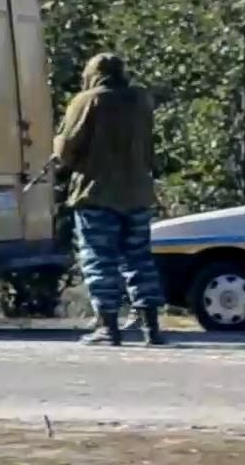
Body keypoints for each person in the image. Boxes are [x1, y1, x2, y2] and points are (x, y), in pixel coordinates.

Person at [52, 52, 164, 347]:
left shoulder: (87, 100)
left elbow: (65, 150)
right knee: (140, 260)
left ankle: (108, 326)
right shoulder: (141, 101)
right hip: (138, 193)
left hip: (97, 194)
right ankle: (151, 327)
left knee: (99, 261)